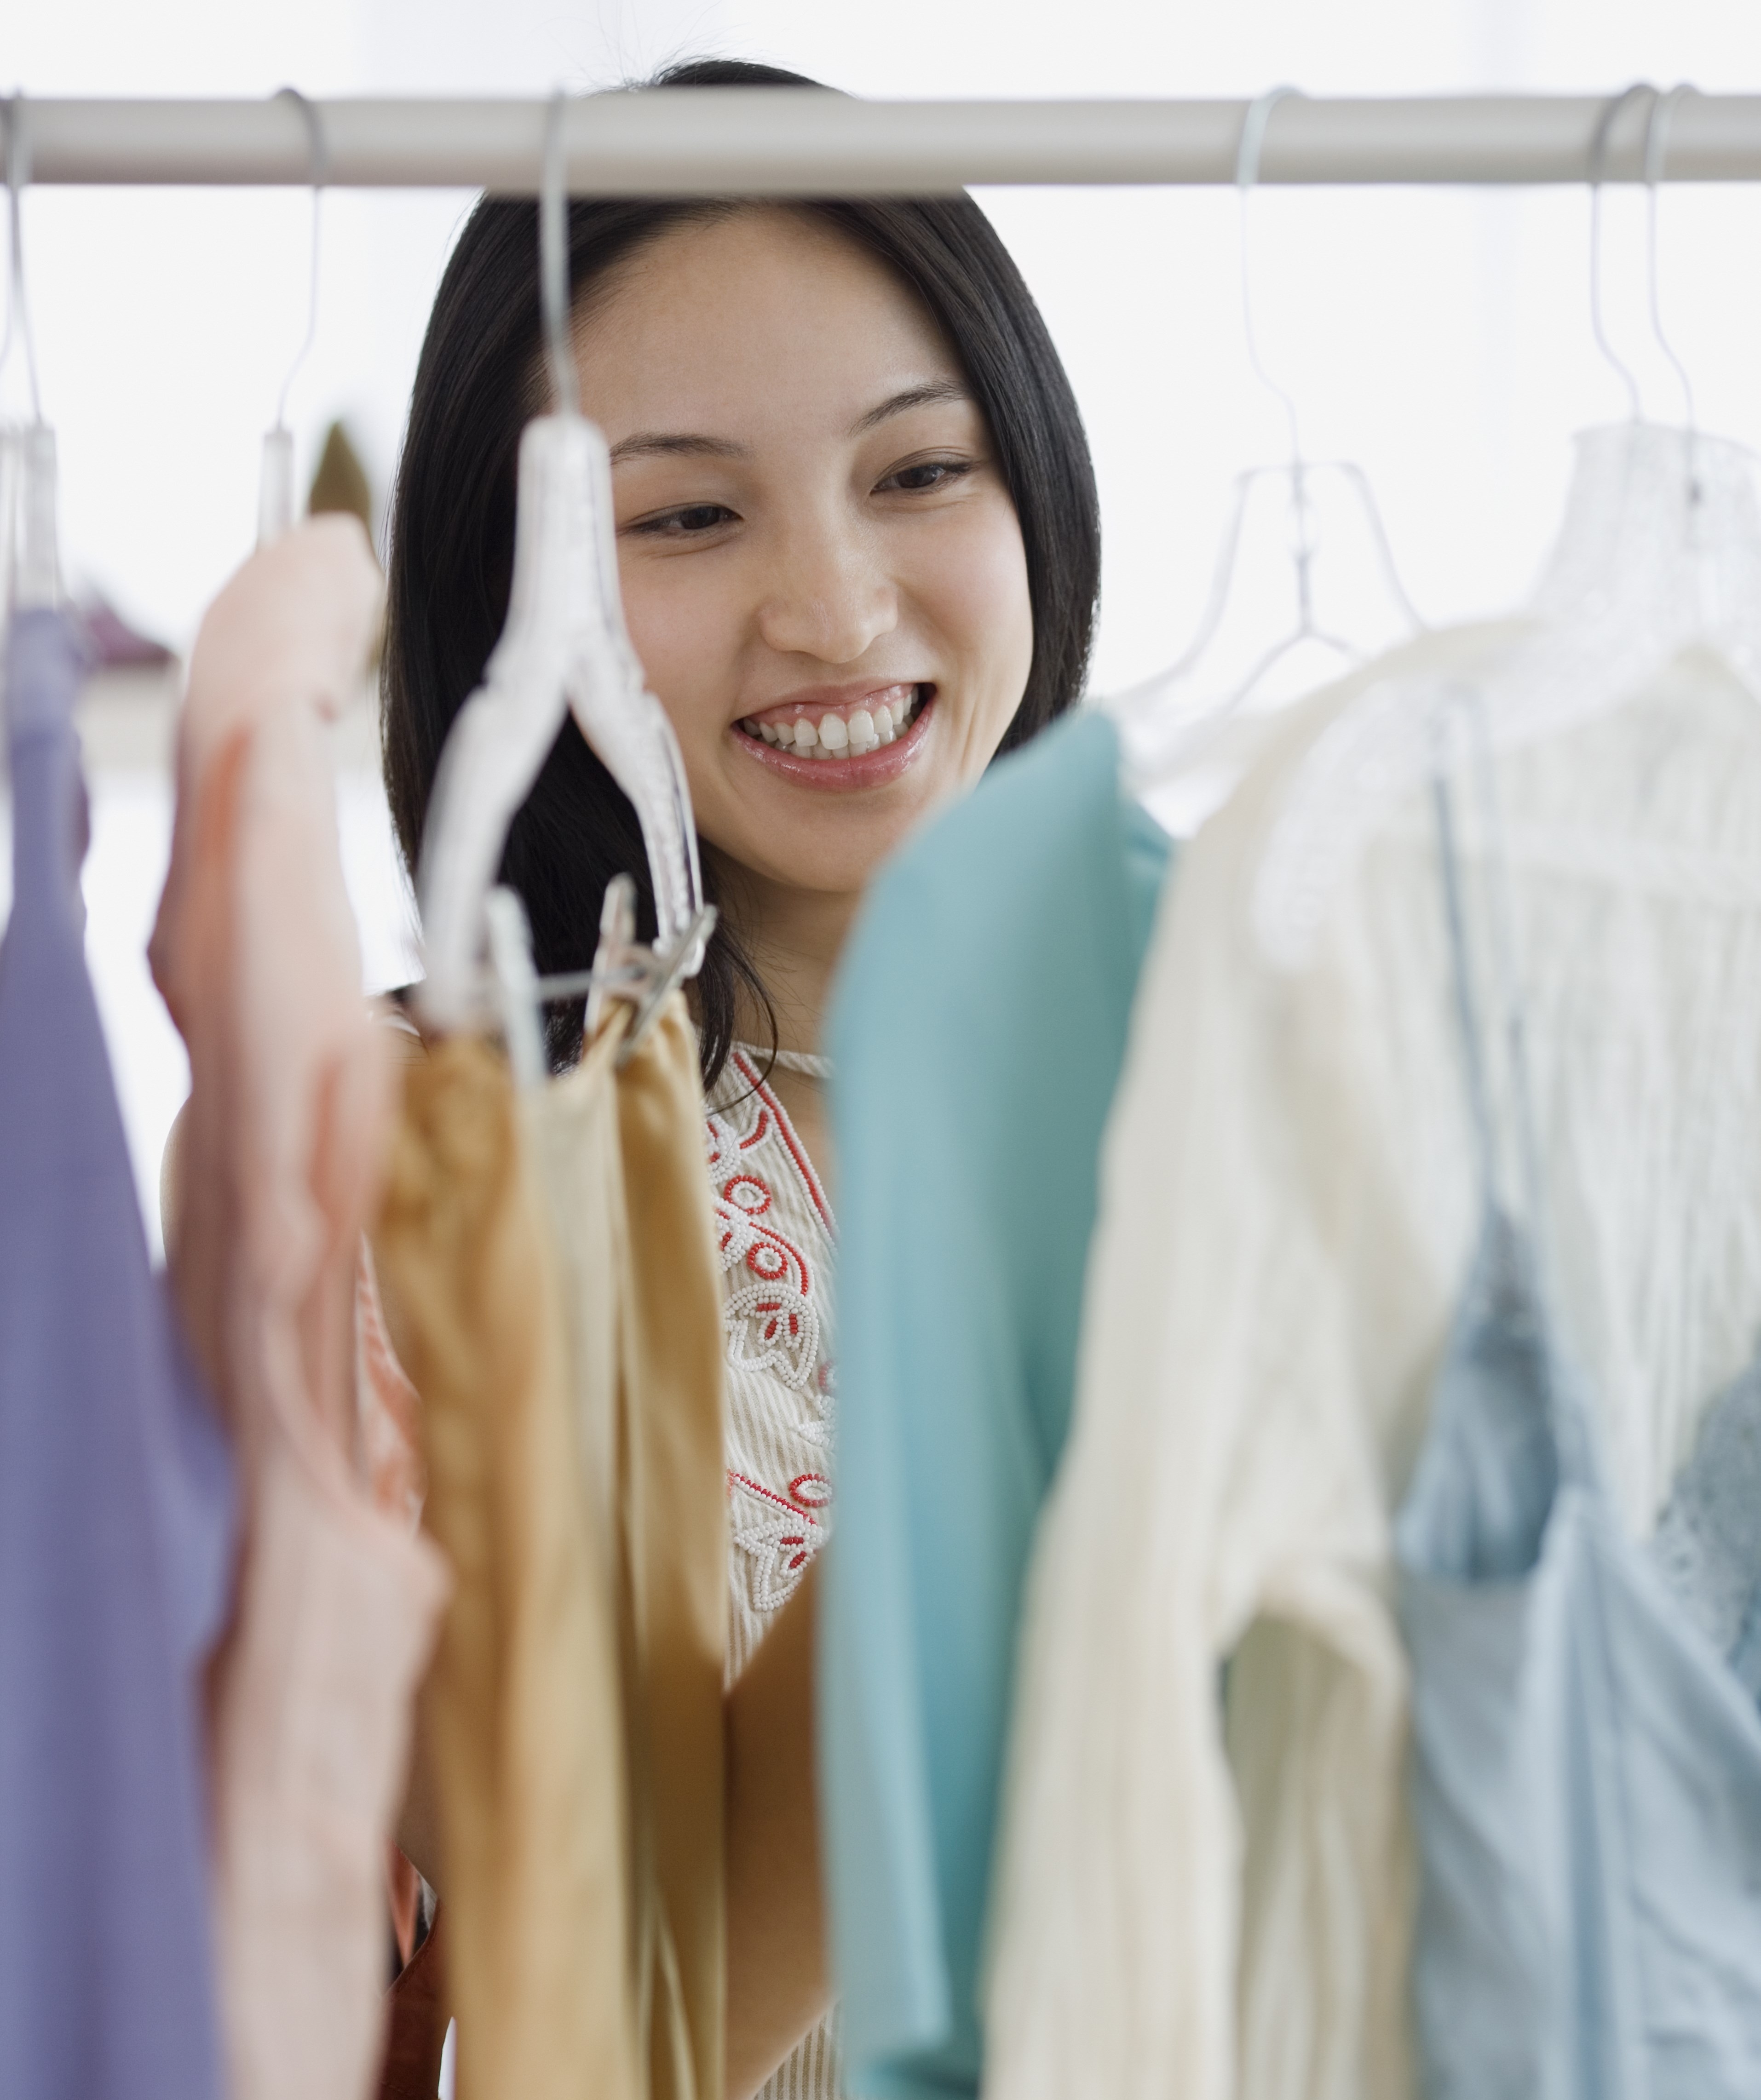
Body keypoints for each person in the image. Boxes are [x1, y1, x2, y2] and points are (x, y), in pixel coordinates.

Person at [380, 57, 1100, 2100]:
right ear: (501, 583)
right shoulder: (432, 1152)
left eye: (920, 472)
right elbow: (611, 2014)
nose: (837, 608)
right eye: (687, 513)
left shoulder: (1232, 1056)